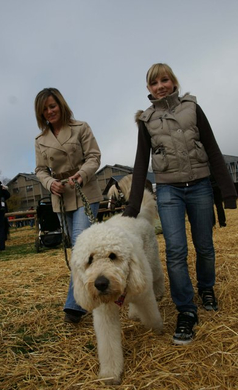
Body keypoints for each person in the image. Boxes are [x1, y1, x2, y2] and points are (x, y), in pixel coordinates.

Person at [123, 63, 237, 345]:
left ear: (173, 82)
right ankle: (186, 308)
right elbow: (140, 165)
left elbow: (211, 147)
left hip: (199, 186)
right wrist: (132, 207)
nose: (160, 85)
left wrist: (228, 190)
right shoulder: (146, 121)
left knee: (205, 246)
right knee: (176, 251)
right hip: (169, 191)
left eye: (165, 80)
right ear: (148, 89)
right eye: (154, 82)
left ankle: (206, 289)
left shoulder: (192, 108)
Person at [34, 87, 103, 324]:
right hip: (60, 198)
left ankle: (75, 305)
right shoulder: (40, 140)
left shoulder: (80, 127)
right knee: (82, 251)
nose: (49, 112)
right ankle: (98, 289)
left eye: (52, 106)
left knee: (80, 250)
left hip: (85, 191)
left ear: (61, 105)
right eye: (44, 109)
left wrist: (82, 175)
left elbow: (94, 156)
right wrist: (50, 183)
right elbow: (40, 170)